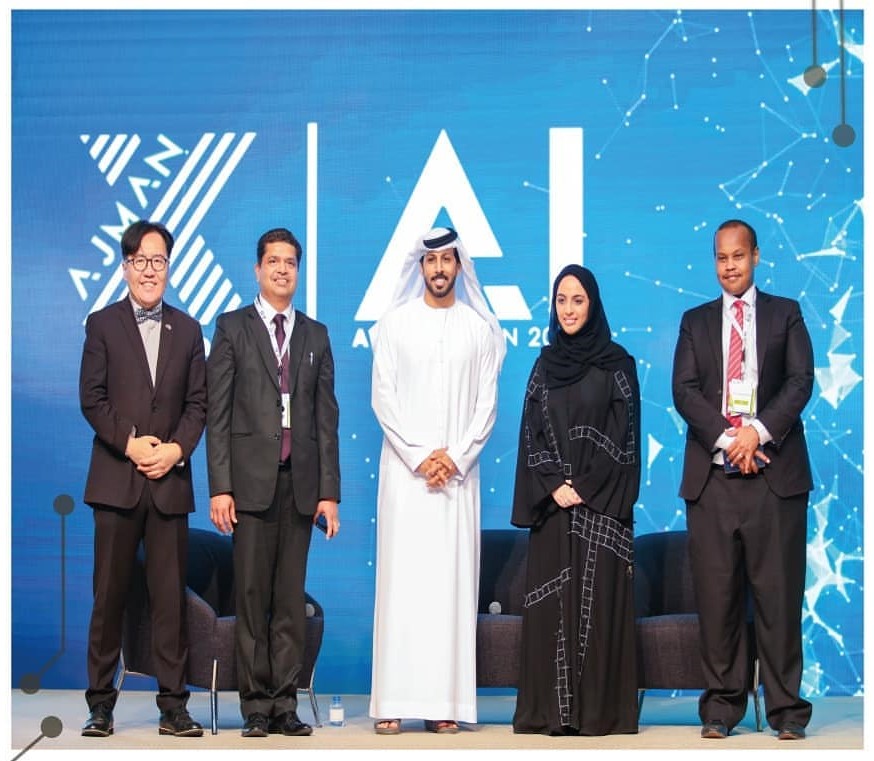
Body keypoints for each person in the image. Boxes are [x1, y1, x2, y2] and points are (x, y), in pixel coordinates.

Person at [672, 219, 814, 740]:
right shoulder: (695, 322)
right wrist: (730, 438)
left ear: (755, 256)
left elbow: (800, 381)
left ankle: (786, 711)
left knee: (778, 600)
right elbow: (684, 390)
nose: (729, 265)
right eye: (721, 257)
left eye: (738, 255)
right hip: (714, 481)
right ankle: (721, 708)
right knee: (718, 602)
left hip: (775, 480)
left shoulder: (785, 313)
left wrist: (756, 433)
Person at [369, 226, 505, 735]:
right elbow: (383, 398)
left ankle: (443, 703)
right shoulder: (395, 325)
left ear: (459, 265)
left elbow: (486, 406)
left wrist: (456, 457)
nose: (440, 269)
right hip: (406, 480)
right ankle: (392, 701)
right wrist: (421, 456)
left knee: (447, 592)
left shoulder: (479, 330)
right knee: (402, 589)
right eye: (432, 261)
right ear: (421, 266)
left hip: (455, 483)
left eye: (448, 259)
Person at [206, 227, 341, 738]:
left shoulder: (316, 335)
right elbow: (217, 414)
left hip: (299, 487)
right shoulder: (231, 328)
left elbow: (326, 420)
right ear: (257, 269)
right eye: (274, 261)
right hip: (248, 486)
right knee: (252, 597)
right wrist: (220, 487)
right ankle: (256, 706)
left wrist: (329, 493)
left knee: (289, 600)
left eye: (290, 262)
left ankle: (285, 704)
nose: (283, 270)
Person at [79, 220, 207, 738]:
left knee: (169, 601)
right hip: (116, 482)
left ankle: (174, 707)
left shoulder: (189, 329)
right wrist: (130, 444)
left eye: (159, 261)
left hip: (169, 484)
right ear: (125, 266)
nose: (150, 271)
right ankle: (100, 705)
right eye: (140, 261)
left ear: (169, 268)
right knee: (108, 598)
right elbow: (92, 398)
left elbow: (198, 405)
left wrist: (175, 451)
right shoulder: (102, 324)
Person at [510, 264, 640, 736]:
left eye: (578, 300)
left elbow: (623, 437)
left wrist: (583, 485)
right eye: (561, 300)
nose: (568, 310)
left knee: (595, 612)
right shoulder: (544, 366)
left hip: (600, 510)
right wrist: (552, 484)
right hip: (553, 507)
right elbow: (532, 433)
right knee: (553, 609)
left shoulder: (618, 365)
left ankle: (598, 716)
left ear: (593, 305)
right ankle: (551, 714)